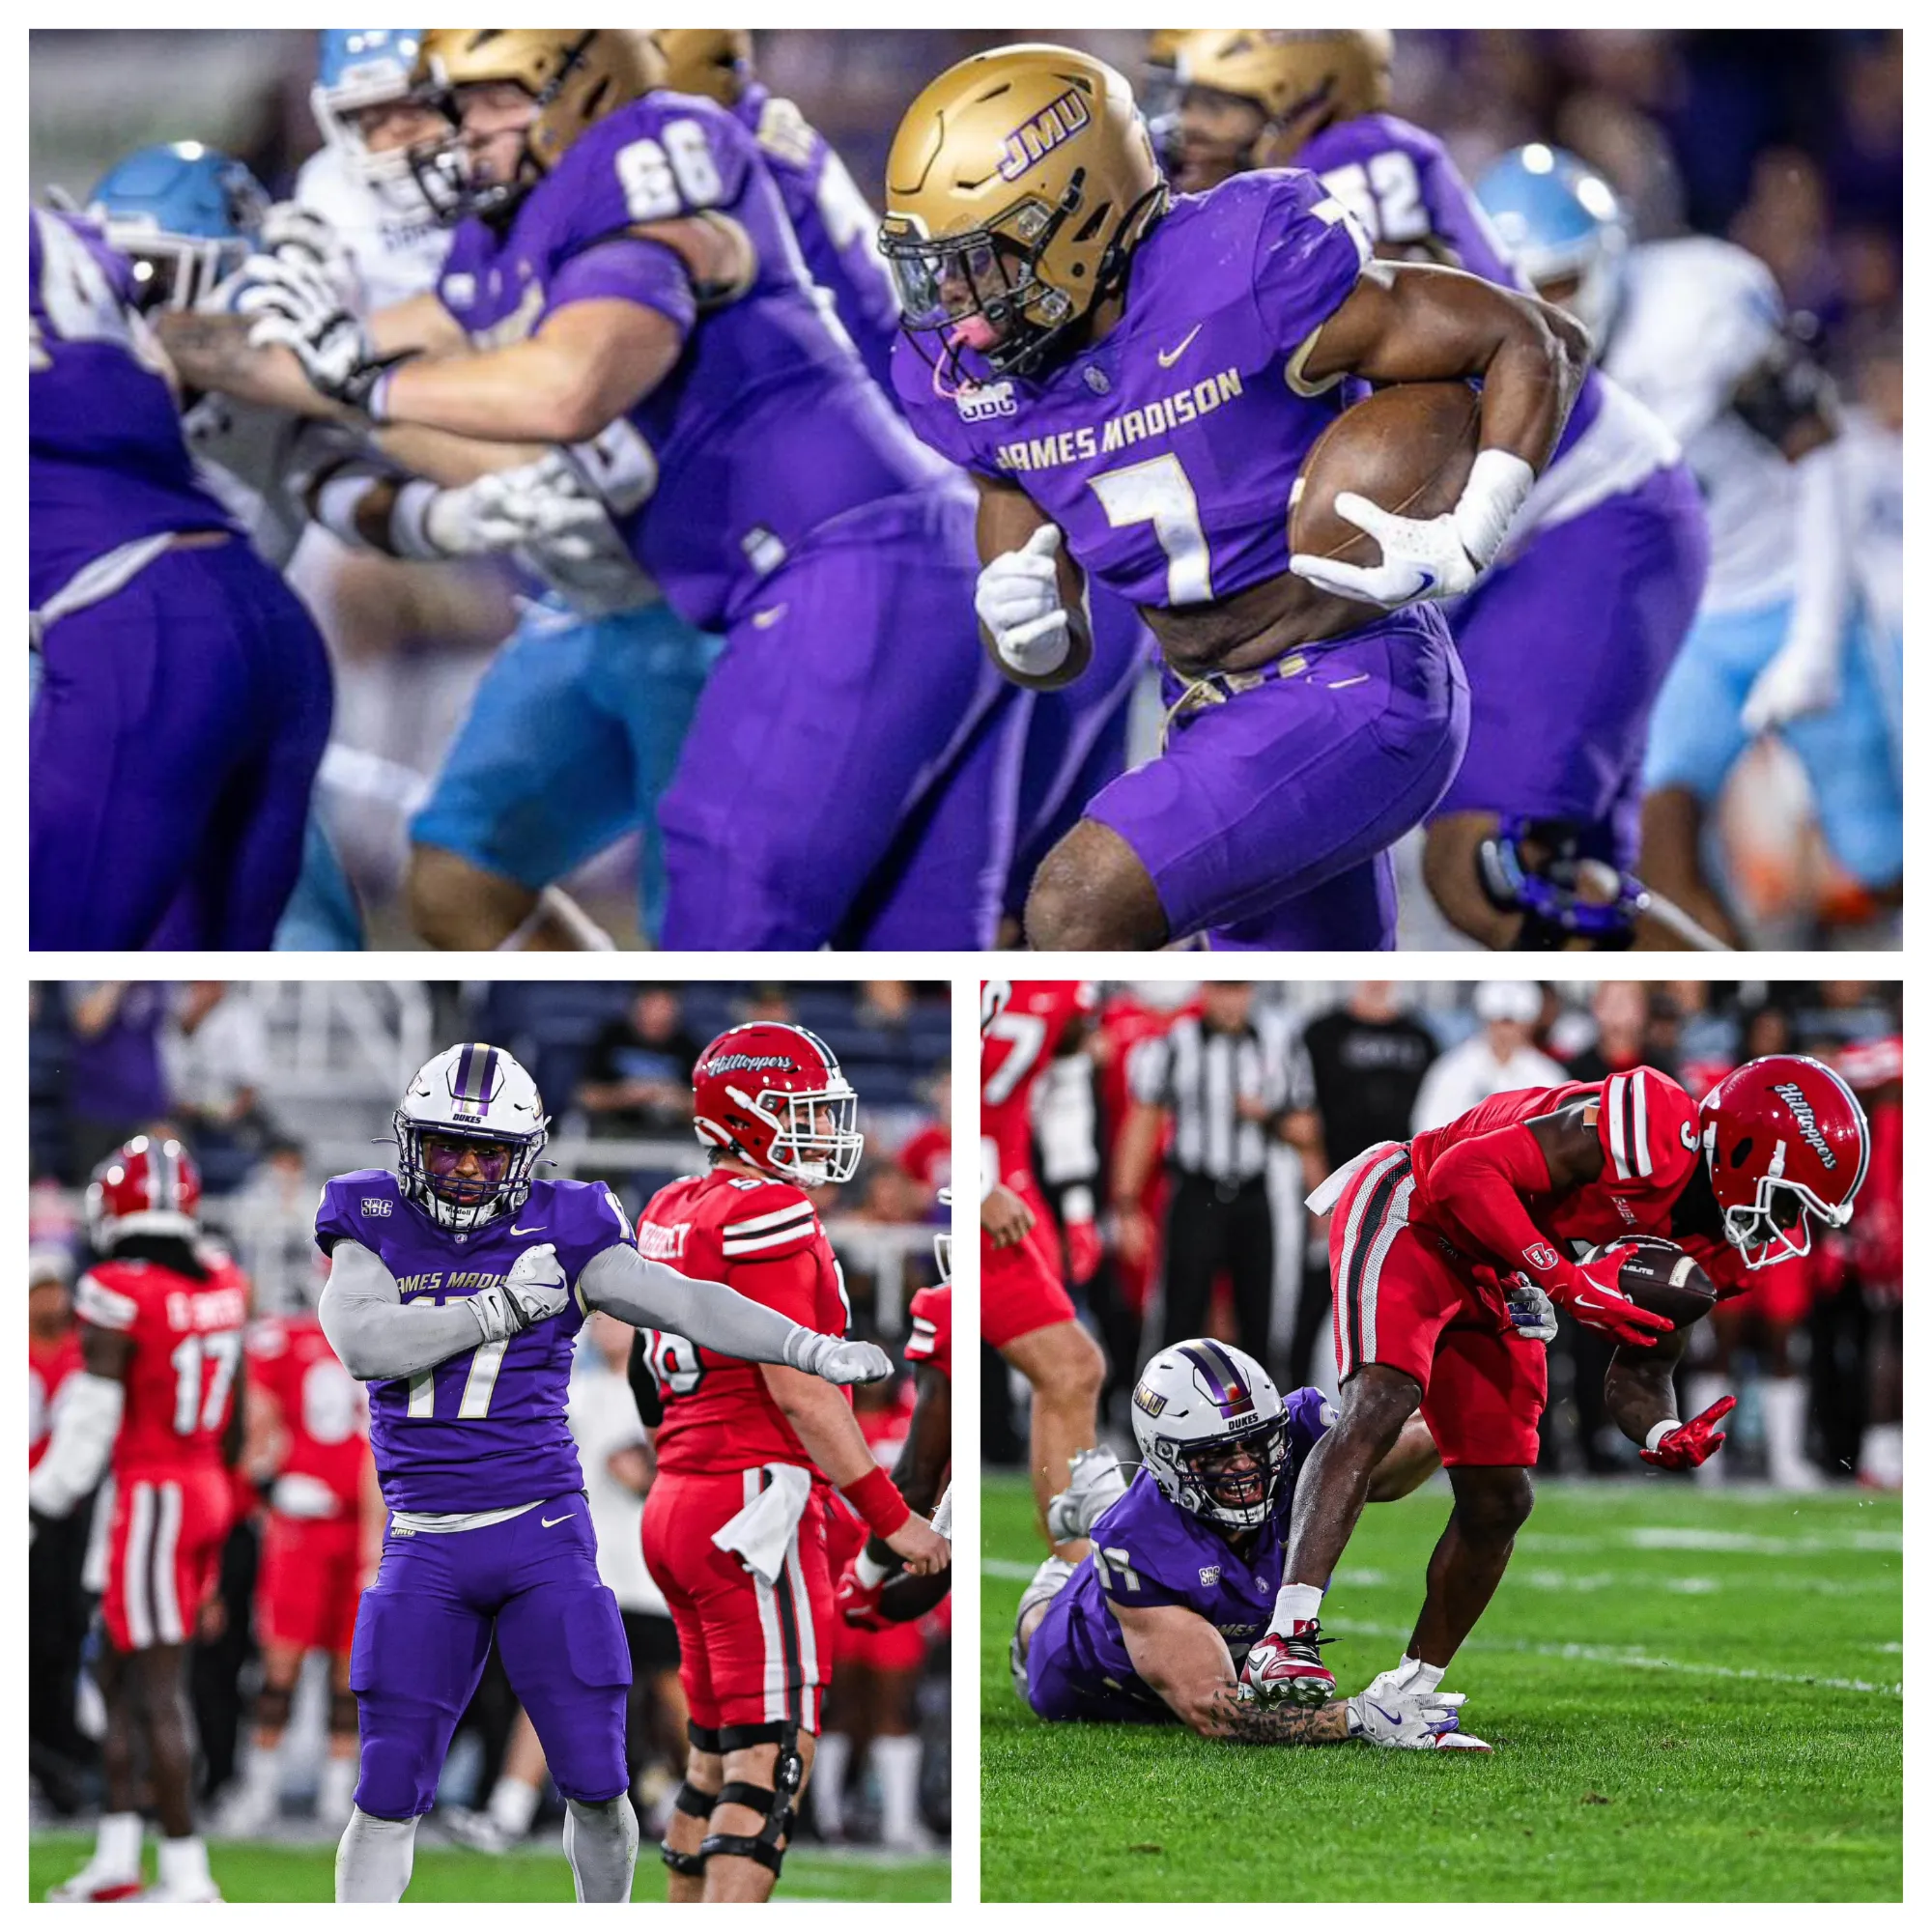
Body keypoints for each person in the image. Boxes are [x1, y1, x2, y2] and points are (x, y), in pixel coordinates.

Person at [205, 28, 1020, 950]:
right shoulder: (517, 219)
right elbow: (417, 333)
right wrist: (220, 355)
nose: (454, 133)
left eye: (485, 103)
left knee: (726, 914)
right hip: (851, 566)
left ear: (585, 92)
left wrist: (359, 382)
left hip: (834, 566)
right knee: (923, 937)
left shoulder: (648, 166)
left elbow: (564, 389)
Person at [883, 43, 1593, 950]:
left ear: (1079, 217)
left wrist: (1475, 525)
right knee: (1283, 973)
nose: (953, 297)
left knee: (1075, 901)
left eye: (982, 258)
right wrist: (1025, 629)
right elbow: (1046, 641)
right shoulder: (972, 382)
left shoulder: (1240, 269)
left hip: (1355, 682)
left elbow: (1535, 337)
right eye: (935, 262)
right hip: (1209, 709)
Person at [311, 1039, 895, 1903]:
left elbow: (686, 1301)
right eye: (448, 1147)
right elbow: (364, 1344)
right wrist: (500, 1307)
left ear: (527, 1155)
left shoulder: (569, 1220)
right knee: (386, 1792)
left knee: (596, 1783)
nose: (469, 1171)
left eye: (489, 1152)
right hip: (423, 1545)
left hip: (540, 1535)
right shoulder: (368, 1217)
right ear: (409, 1144)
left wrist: (804, 1343)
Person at [1166, 31, 1709, 951]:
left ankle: (1747, 1015)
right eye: (1188, 98)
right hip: (1500, 540)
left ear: (1305, 96)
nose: (1191, 127)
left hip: (1577, 511)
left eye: (1220, 102)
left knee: (1490, 869)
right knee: (1567, 878)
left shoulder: (1360, 165)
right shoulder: (1251, 203)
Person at [1241, 1054, 1870, 1716]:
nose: (1788, 1226)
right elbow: (1462, 1174)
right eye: (1788, 1198)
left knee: (1501, 1499)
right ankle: (1286, 1635)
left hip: (1505, 1267)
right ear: (1744, 1151)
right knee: (1385, 1396)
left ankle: (1404, 1696)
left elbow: (1644, 1365)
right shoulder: (1648, 1128)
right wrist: (1567, 1283)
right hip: (1416, 1204)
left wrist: (1661, 1428)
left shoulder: (1718, 1247)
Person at [1477, 144, 1899, 941]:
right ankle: (1743, 997)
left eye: (1559, 280)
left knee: (1884, 861)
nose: (1543, 306)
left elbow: (1819, 450)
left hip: (1788, 591)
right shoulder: (1497, 359)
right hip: (1686, 627)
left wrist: (1813, 636)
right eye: (1517, 284)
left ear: (1606, 258)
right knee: (1657, 847)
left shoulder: (1696, 309)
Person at [634, 1023, 950, 1902]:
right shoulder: (767, 1211)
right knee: (768, 1768)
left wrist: (686, 1461)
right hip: (752, 1504)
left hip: (683, 1494)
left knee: (713, 1757)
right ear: (741, 1114)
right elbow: (800, 1388)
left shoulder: (670, 1206)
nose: (817, 1130)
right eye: (797, 1112)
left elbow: (638, 1366)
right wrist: (892, 1519)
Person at [30, 191, 333, 948]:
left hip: (133, 628)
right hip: (262, 613)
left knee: (53, 952)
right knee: (209, 977)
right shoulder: (64, 251)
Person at [1013, 1340, 1459, 1746]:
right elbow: (1221, 1712)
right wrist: (1357, 1718)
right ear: (1167, 1458)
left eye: (1256, 1444)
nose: (1245, 1468)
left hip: (1219, 1630)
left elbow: (1402, 1450)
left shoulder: (1298, 1435)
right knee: (1043, 1627)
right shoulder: (1135, 1543)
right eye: (1217, 1455)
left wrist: (1479, 1398)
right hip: (1091, 1676)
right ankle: (1045, 1596)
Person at [32, 1139, 250, 1902]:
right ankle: (118, 1861)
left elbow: (91, 1419)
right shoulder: (224, 1278)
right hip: (200, 1487)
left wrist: (35, 1501)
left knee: (158, 1686)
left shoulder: (118, 1288)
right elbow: (234, 1415)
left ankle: (188, 1874)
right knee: (119, 1674)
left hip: (153, 1492)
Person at [220, 1301, 381, 1835]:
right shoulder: (286, 1337)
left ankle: (341, 1792)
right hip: (300, 1528)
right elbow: (252, 1421)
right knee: (279, 1666)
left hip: (364, 1524)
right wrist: (268, 1483)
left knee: (351, 1672)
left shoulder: (389, 1330)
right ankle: (259, 1784)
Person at [980, 982, 1109, 1560]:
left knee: (1070, 1370)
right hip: (980, 1192)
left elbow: (1066, 1089)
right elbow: (955, 1078)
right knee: (1069, 1368)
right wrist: (976, 1182)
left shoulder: (1071, 985)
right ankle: (1076, 1569)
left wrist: (1077, 1205)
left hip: (1011, 1190)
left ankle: (1075, 1565)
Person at [1112, 981, 1291, 1363]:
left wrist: (1267, 1115)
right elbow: (1143, 1124)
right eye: (1222, 989)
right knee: (1179, 1314)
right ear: (1205, 991)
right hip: (1196, 1193)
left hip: (1254, 1196)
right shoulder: (1175, 1044)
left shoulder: (1275, 1043)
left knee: (1258, 1317)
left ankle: (1263, 1416)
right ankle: (1159, 1410)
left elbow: (1305, 1127)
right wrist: (1127, 1204)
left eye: (1239, 989)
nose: (1231, 1001)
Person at [1409, 981, 1565, 1132]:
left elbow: (1556, 1132)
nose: (1505, 1032)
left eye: (1513, 1023)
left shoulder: (1547, 1075)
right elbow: (1427, 1125)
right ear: (1486, 1021)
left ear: (1529, 1025)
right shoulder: (1453, 1068)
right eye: (1499, 1022)